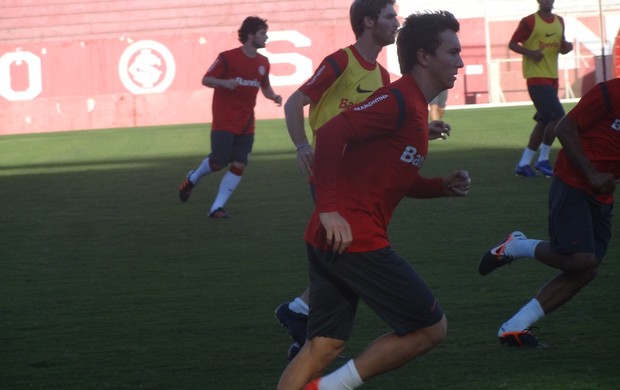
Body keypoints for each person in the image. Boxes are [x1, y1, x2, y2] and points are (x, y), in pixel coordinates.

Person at [277, 10, 469, 390]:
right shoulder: (399, 99)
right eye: (452, 51)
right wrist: (330, 209)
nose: (460, 61)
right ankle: (331, 388)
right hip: (353, 236)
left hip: (333, 235)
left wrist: (438, 187)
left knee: (324, 345)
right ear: (424, 57)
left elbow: (391, 178)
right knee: (431, 328)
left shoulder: (413, 109)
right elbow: (332, 134)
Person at [478, 78, 620, 347]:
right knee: (580, 260)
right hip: (573, 181)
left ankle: (515, 326)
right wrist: (591, 173)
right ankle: (516, 247)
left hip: (602, 191)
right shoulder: (612, 91)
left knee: (586, 269)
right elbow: (565, 127)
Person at [178, 16, 282, 218]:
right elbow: (206, 79)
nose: (266, 37)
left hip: (246, 124)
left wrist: (274, 97)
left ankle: (216, 208)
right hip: (224, 121)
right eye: (262, 33)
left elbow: (265, 87)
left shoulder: (263, 63)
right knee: (218, 162)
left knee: (240, 164)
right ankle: (193, 178)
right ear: (250, 35)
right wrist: (224, 83)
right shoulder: (227, 57)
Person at [509, 0, 573, 177]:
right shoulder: (529, 21)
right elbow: (512, 44)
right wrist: (530, 53)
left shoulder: (559, 21)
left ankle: (523, 164)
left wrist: (567, 48)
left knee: (544, 122)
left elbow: (561, 47)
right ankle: (543, 160)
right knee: (559, 117)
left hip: (552, 78)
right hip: (536, 78)